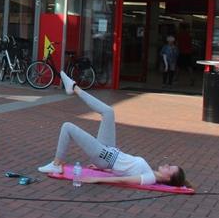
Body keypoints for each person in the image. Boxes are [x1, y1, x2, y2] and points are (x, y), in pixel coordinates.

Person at [37, 71, 190, 188]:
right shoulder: (149, 170)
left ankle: (56, 164)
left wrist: (98, 178)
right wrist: (104, 170)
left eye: (170, 168)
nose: (167, 165)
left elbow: (124, 180)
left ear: (168, 178)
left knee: (68, 127)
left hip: (104, 156)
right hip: (109, 153)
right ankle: (74, 88)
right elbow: (124, 170)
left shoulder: (150, 178)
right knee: (109, 112)